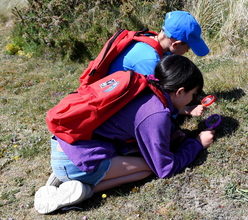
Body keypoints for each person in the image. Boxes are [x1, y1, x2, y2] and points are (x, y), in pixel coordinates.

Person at [34, 55, 215, 214]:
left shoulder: (145, 84)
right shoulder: (155, 114)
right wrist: (197, 144)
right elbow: (165, 168)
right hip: (75, 161)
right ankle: (83, 189)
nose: (193, 100)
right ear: (180, 91)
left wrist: (176, 136)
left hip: (64, 145)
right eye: (193, 94)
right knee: (147, 168)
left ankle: (66, 175)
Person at [108, 10, 210, 117]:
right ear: (176, 45)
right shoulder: (149, 61)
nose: (188, 51)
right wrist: (187, 110)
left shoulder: (151, 39)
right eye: (188, 47)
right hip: (116, 110)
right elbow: (158, 101)